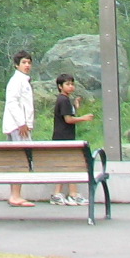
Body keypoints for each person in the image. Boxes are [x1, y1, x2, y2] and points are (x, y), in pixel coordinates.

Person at [50, 73, 95, 206]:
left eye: (72, 84)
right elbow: (68, 119)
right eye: (67, 84)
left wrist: (75, 106)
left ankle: (57, 194)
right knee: (71, 165)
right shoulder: (63, 100)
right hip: (64, 137)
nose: (71, 87)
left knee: (63, 165)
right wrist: (84, 118)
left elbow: (68, 113)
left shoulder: (63, 100)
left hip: (60, 136)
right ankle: (73, 194)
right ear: (60, 86)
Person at [3, 50, 36, 207]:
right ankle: (15, 195)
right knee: (20, 160)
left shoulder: (24, 81)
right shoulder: (16, 81)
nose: (27, 65)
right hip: (18, 126)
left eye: (29, 62)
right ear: (17, 65)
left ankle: (16, 194)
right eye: (24, 62)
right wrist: (22, 123)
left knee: (19, 159)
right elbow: (12, 103)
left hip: (21, 125)